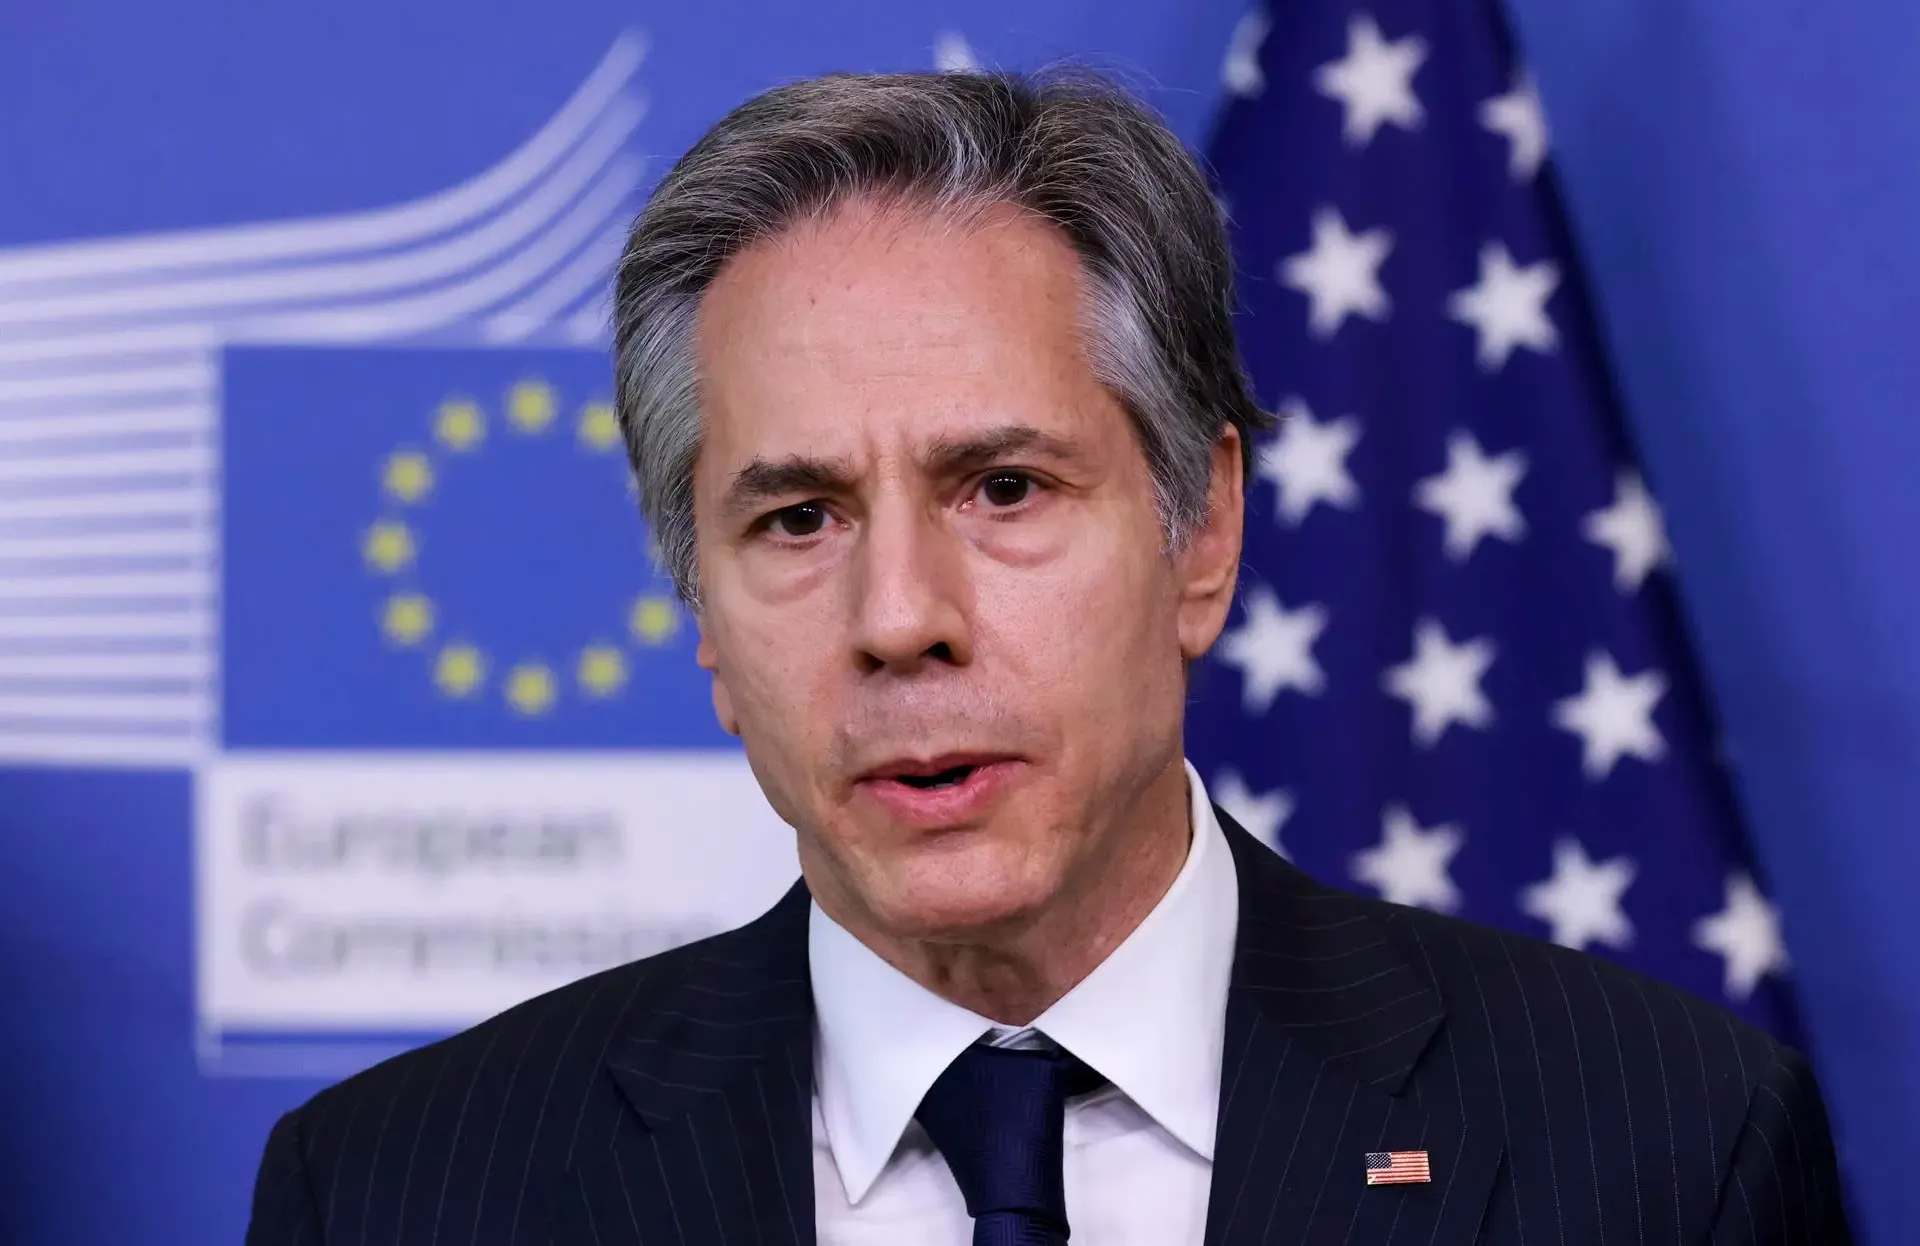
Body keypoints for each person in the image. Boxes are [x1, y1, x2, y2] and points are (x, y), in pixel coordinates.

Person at [246, 69, 1849, 1246]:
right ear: (706, 624)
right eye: (797, 518)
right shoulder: (402, 1193)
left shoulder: (1656, 1147)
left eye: (1002, 488)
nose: (899, 616)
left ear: (1200, 531)